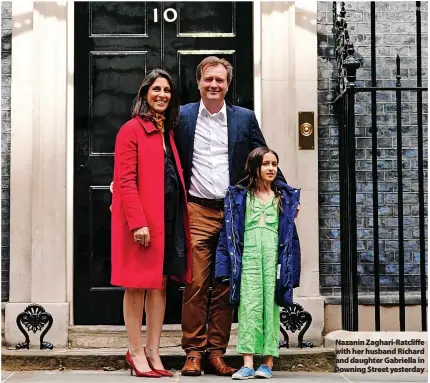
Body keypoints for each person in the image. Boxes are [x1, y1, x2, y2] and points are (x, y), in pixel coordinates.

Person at [174, 56, 288, 377]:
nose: (214, 85)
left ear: (227, 84)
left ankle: (216, 352)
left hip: (234, 213)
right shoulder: (182, 117)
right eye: (208, 79)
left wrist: (284, 196)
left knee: (226, 284)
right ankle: (193, 352)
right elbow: (165, 158)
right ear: (198, 82)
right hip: (196, 209)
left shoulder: (244, 118)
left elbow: (263, 158)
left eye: (220, 80)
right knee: (196, 283)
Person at [111, 69, 192, 378]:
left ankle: (154, 352)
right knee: (136, 285)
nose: (162, 95)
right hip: (142, 222)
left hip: (167, 218)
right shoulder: (130, 130)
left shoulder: (167, 132)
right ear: (145, 93)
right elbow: (125, 181)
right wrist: (137, 223)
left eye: (167, 90)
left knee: (160, 285)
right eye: (156, 89)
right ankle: (134, 352)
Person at [215, 147, 301, 380]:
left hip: (274, 258)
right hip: (249, 258)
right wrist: (223, 267)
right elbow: (228, 234)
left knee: (271, 307)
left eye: (274, 163)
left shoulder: (283, 198)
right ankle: (247, 362)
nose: (271, 168)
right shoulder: (240, 197)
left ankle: (268, 362)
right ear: (255, 167)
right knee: (249, 307)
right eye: (266, 164)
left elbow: (291, 238)